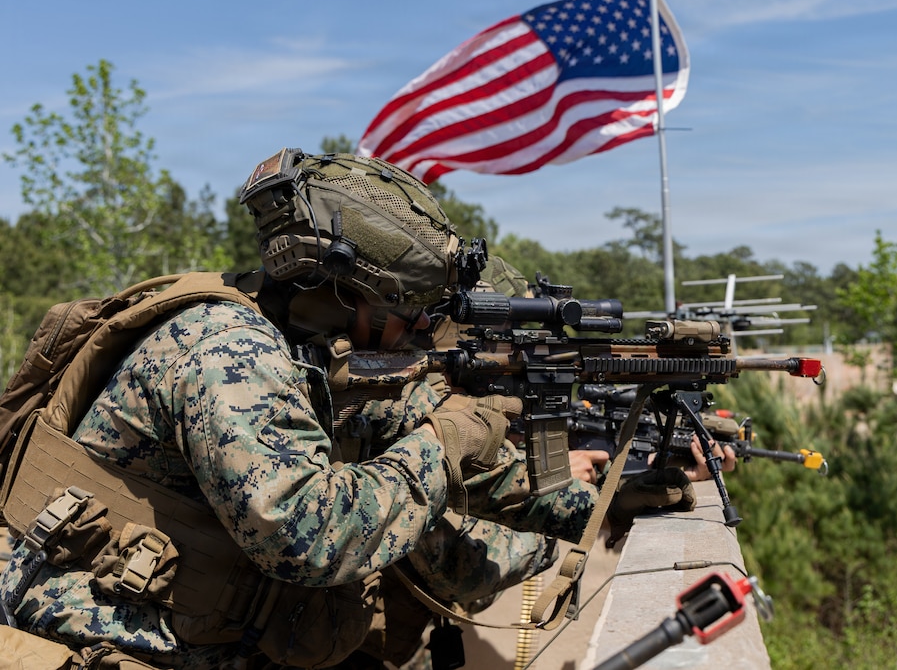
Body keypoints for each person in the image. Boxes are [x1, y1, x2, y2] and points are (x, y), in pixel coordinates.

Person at [0, 150, 607, 670]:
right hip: (106, 645)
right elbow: (308, 533)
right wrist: (447, 439)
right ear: (348, 293)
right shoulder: (229, 351)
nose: (423, 328)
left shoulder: (310, 353)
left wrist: (603, 502)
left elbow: (459, 463)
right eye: (413, 309)